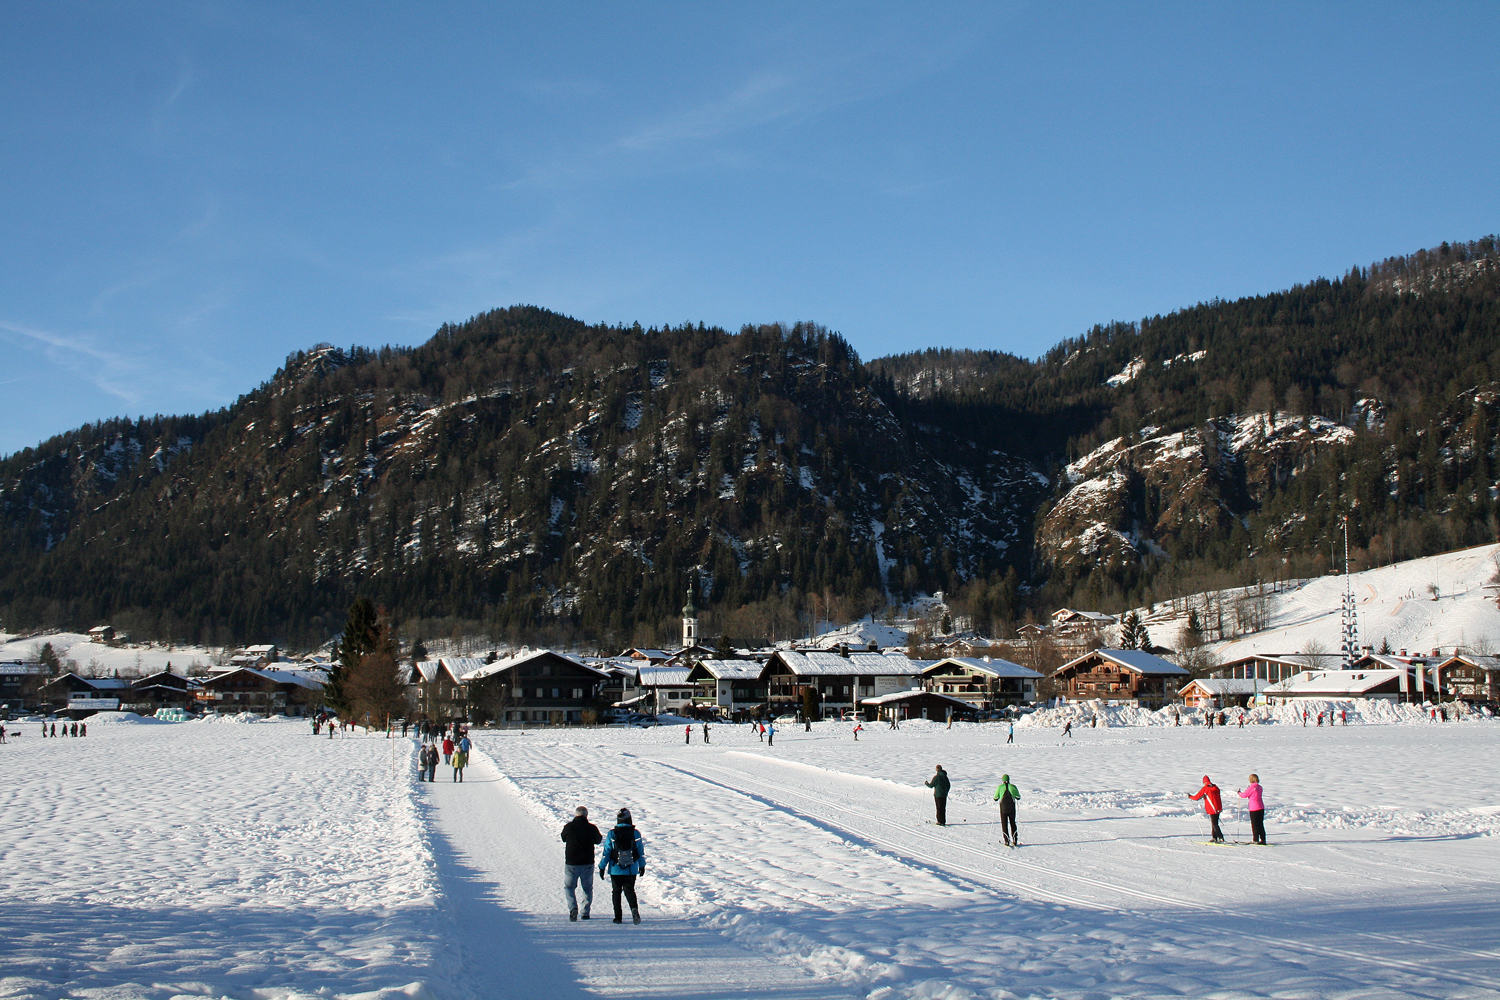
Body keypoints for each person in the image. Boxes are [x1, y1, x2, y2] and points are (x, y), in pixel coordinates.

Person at [599, 808, 646, 924]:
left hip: (616, 868)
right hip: (631, 868)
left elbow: (607, 851)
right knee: (630, 890)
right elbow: (640, 851)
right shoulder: (635, 833)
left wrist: (602, 866)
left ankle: (618, 917)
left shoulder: (612, 833)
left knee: (616, 892)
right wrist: (642, 865)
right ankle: (634, 910)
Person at [562, 806, 603, 920]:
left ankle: (573, 908)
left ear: (575, 815)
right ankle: (585, 912)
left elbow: (563, 838)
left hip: (571, 863)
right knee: (587, 888)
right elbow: (598, 840)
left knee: (569, 887)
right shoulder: (592, 828)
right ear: (586, 815)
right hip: (587, 863)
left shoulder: (568, 827)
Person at [1189, 775, 1225, 843]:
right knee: (1214, 823)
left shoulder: (1206, 788)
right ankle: (1214, 837)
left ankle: (1221, 837)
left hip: (1212, 808)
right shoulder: (1216, 787)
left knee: (1215, 824)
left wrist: (1190, 797)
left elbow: (1197, 797)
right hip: (1218, 807)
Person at [994, 773, 1021, 847]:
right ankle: (1015, 839)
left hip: (1003, 808)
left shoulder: (999, 787)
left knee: (1004, 823)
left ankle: (1006, 840)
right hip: (1012, 807)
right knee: (1013, 823)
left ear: (1003, 780)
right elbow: (1018, 797)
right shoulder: (1013, 787)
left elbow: (995, 798)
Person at [1238, 773, 1267, 845]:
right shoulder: (1260, 787)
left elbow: (1244, 795)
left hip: (1254, 808)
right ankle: (1263, 839)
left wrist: (1239, 793)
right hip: (1261, 807)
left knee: (1254, 824)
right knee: (1260, 824)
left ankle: (1255, 839)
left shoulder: (1251, 788)